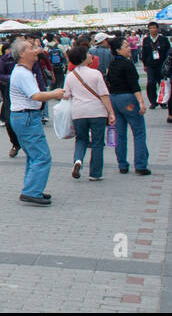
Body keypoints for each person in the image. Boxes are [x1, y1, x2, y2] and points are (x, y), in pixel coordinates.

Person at [8, 39, 67, 206]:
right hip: (26, 117)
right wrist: (55, 93)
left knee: (34, 156)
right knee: (42, 156)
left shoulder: (24, 71)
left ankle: (32, 188)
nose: (36, 51)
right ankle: (31, 191)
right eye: (31, 48)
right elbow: (36, 96)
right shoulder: (22, 73)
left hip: (24, 117)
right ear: (21, 54)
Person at [62, 45, 115, 181]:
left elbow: (66, 95)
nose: (92, 56)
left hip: (78, 112)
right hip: (97, 112)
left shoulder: (70, 76)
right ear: (84, 58)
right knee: (97, 142)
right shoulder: (96, 73)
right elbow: (104, 95)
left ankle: (78, 160)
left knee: (81, 139)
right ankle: (95, 173)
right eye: (89, 54)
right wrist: (111, 112)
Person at [105, 37, 151, 176]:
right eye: (125, 46)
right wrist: (142, 102)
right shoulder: (127, 63)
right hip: (128, 100)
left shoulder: (112, 64)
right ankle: (140, 165)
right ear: (118, 50)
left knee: (120, 134)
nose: (129, 48)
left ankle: (122, 165)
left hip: (114, 100)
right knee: (138, 132)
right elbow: (134, 85)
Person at [0, 36, 23, 158]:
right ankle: (15, 144)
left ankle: (27, 143)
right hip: (8, 89)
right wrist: (13, 79)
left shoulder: (27, 58)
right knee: (8, 119)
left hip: (25, 91)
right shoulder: (4, 59)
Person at [140, 22, 168, 113]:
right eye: (151, 28)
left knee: (162, 83)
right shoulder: (146, 40)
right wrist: (144, 64)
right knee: (151, 83)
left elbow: (167, 52)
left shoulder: (163, 39)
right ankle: (153, 101)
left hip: (161, 64)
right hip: (150, 65)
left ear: (157, 28)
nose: (152, 30)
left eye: (154, 28)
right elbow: (144, 53)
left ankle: (162, 101)